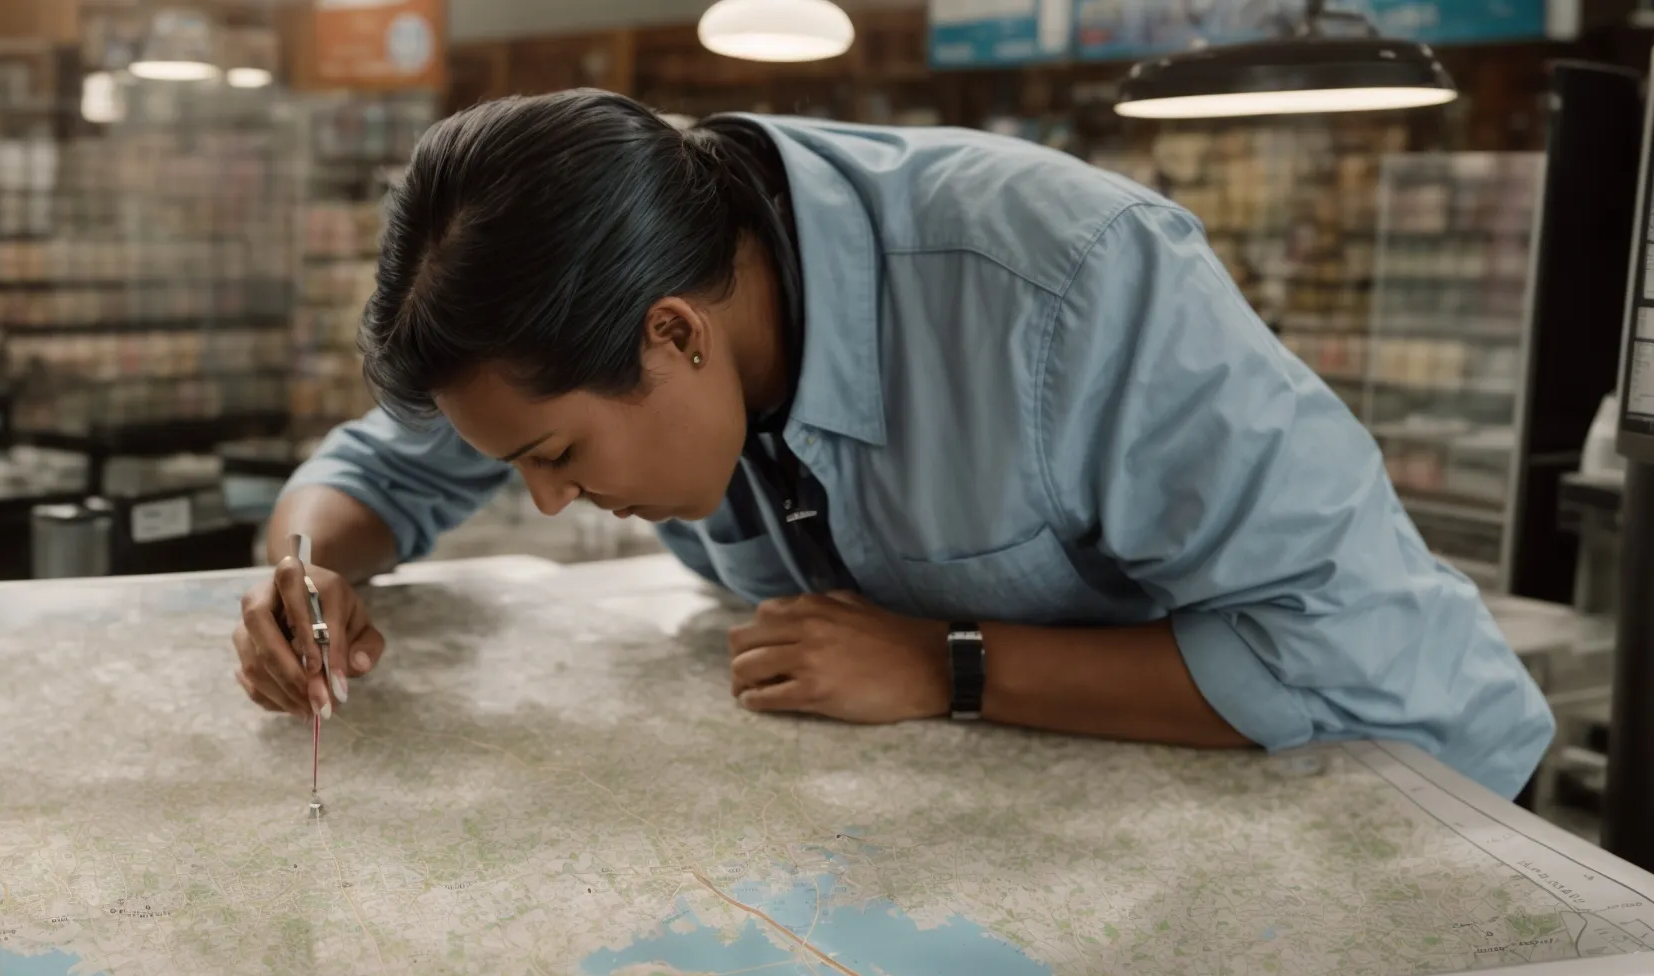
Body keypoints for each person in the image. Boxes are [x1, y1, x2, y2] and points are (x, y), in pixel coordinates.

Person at [233, 88, 1553, 799]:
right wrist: (307, 570)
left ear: (675, 335)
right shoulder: (604, 283)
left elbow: (1337, 659)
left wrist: (951, 665)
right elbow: (376, 474)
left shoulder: (1065, 285)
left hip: (1406, 802)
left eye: (562, 457)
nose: (546, 500)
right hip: (1093, 811)